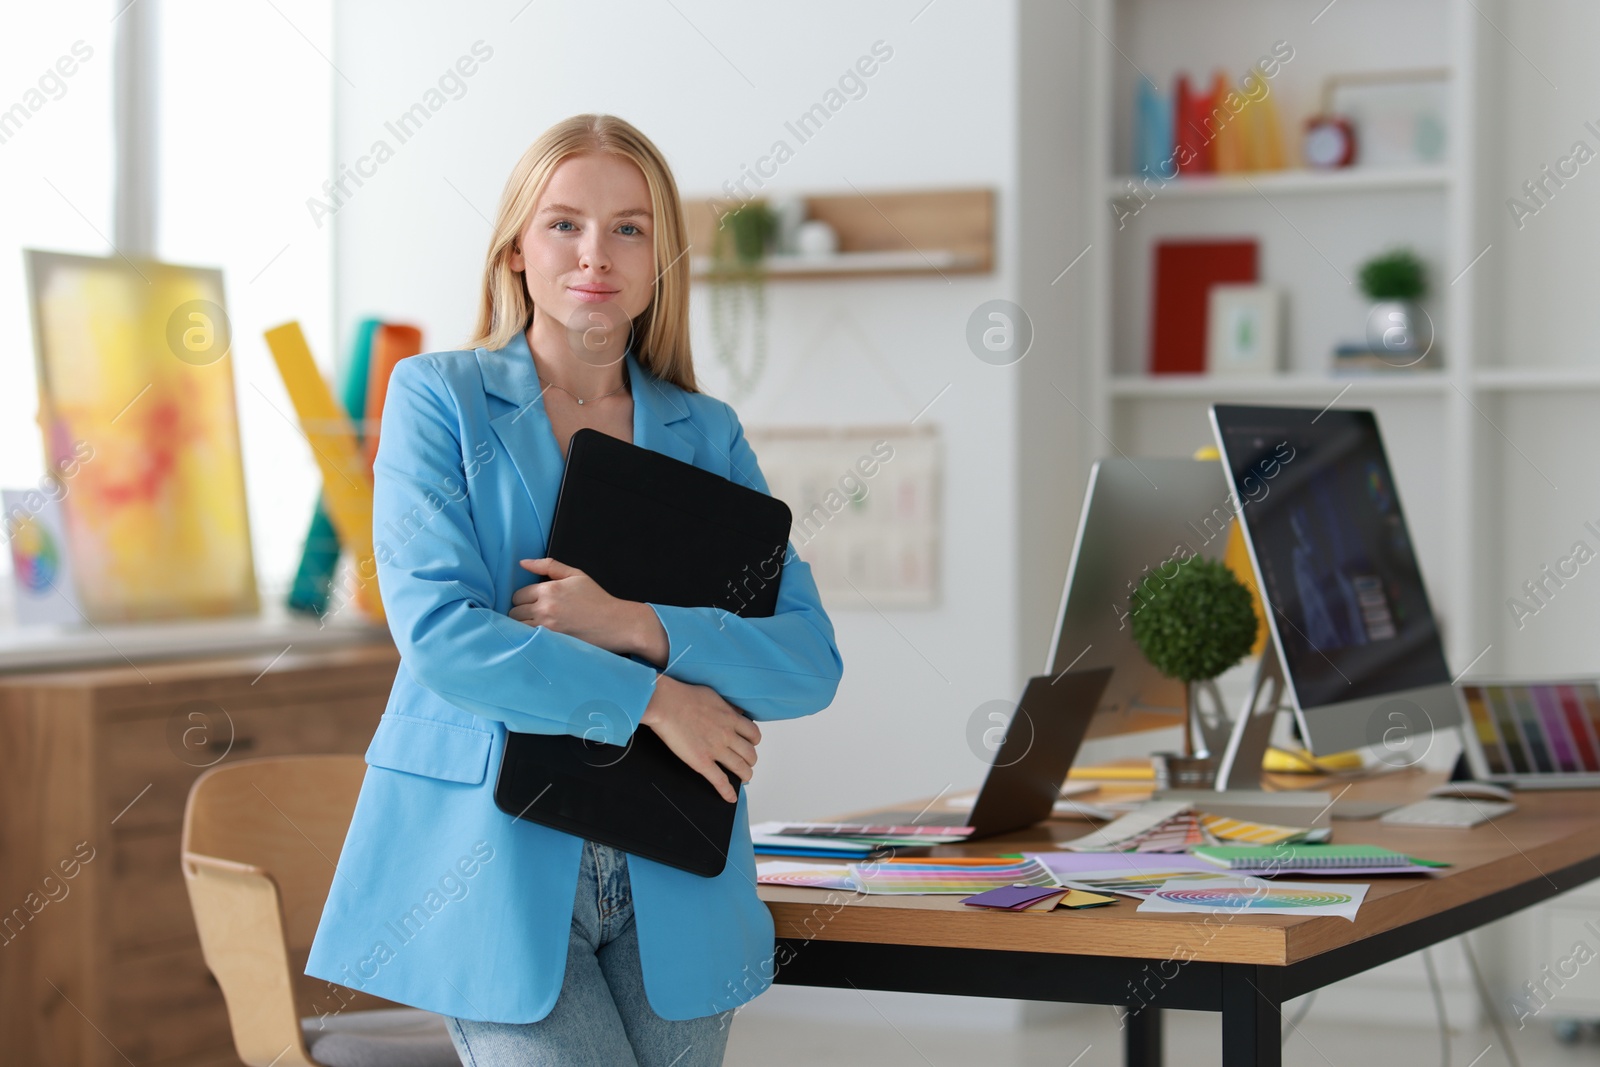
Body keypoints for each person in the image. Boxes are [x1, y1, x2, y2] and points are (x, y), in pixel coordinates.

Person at [303, 113, 844, 1067]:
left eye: (629, 227)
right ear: (516, 247)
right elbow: (444, 637)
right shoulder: (440, 398)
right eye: (565, 224)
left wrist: (630, 622)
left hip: (675, 865)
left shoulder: (705, 432)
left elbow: (807, 661)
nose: (597, 253)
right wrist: (660, 698)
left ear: (659, 258)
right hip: (492, 861)